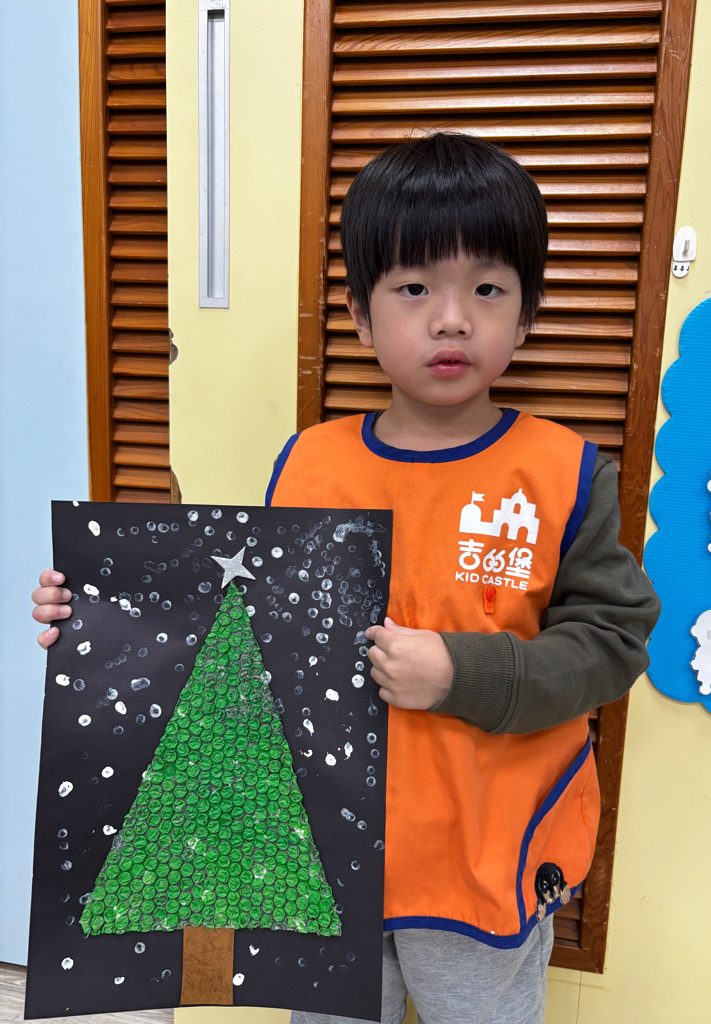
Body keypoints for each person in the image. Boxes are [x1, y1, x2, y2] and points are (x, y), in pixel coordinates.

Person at [33, 132, 660, 1024]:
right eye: (414, 289)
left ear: (527, 316)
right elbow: (244, 637)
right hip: (328, 861)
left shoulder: (564, 473)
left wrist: (462, 673)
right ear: (362, 317)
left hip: (488, 860)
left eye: (487, 289)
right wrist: (99, 623)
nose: (452, 319)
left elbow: (612, 643)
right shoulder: (309, 465)